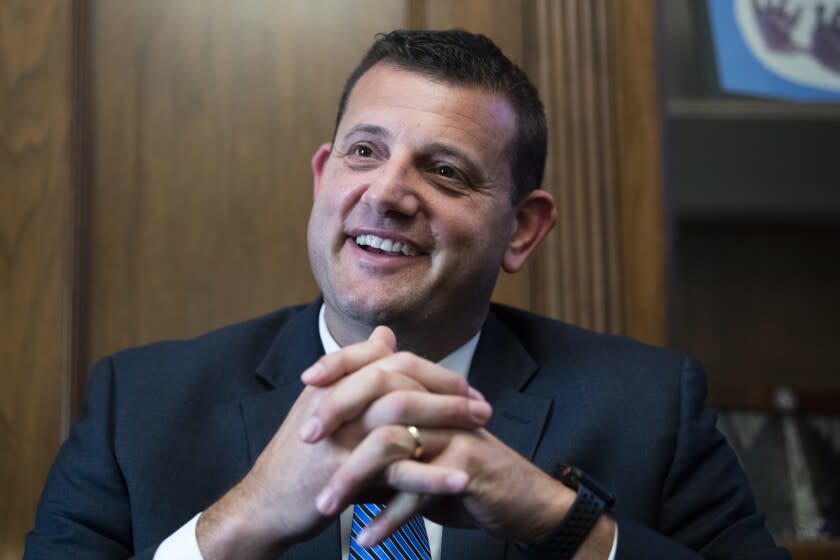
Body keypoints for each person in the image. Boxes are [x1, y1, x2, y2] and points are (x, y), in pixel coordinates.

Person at [25, 30, 789, 559]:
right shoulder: (140, 403)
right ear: (323, 178)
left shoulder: (651, 408)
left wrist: (561, 523)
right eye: (365, 152)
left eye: (446, 171)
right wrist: (241, 522)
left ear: (522, 229)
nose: (387, 193)